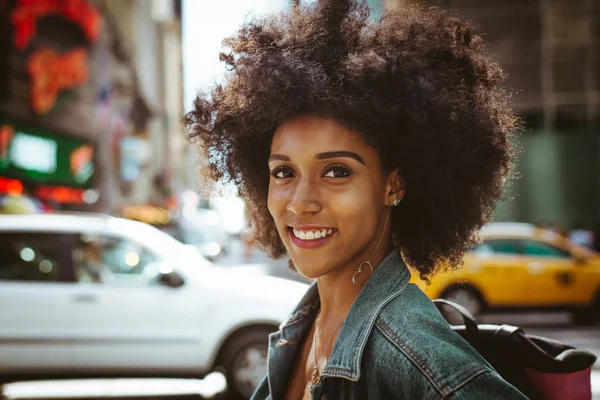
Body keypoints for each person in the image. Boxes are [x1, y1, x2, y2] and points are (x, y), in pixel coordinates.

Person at [186, 1, 526, 399]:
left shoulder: (417, 358)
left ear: (393, 186)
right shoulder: (302, 325)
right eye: (284, 172)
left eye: (336, 171)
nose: (300, 202)